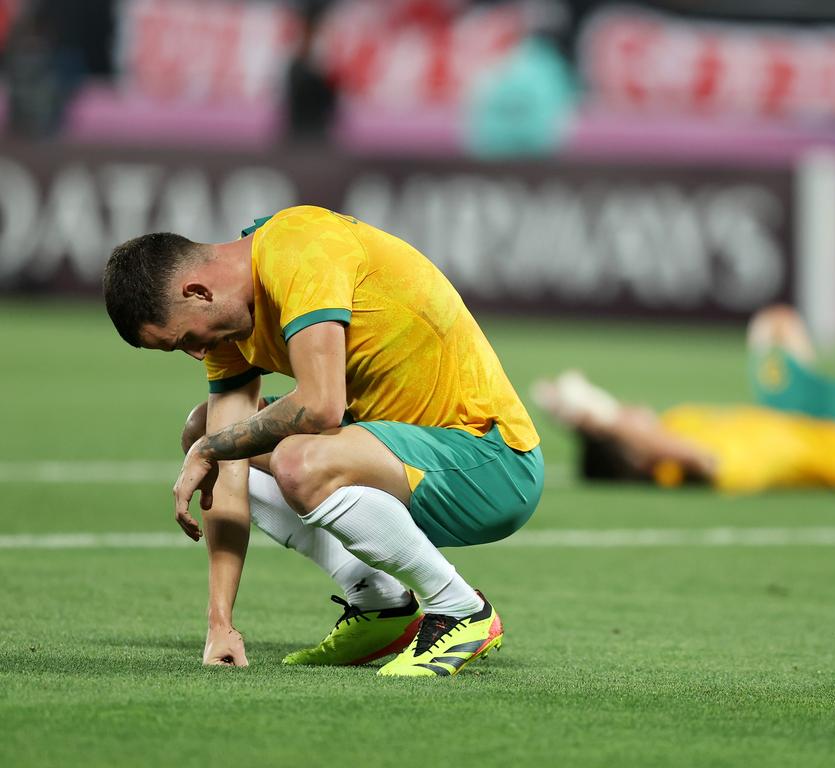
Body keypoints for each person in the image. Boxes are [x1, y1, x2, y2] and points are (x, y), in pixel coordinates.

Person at [102, 205, 544, 676]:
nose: (195, 353)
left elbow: (320, 406)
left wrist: (210, 448)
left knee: (295, 457)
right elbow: (226, 468)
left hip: (489, 462)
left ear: (198, 292)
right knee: (203, 427)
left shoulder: (298, 247)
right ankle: (380, 603)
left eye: (183, 339)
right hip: (397, 456)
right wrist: (220, 623)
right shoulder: (229, 322)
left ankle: (460, 609)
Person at [534, 304, 835, 496]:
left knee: (776, 323)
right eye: (627, 424)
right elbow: (685, 454)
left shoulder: (676, 422)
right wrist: (604, 422)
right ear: (642, 455)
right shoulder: (695, 463)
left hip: (802, 414)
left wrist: (588, 418)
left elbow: (645, 435)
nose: (631, 410)